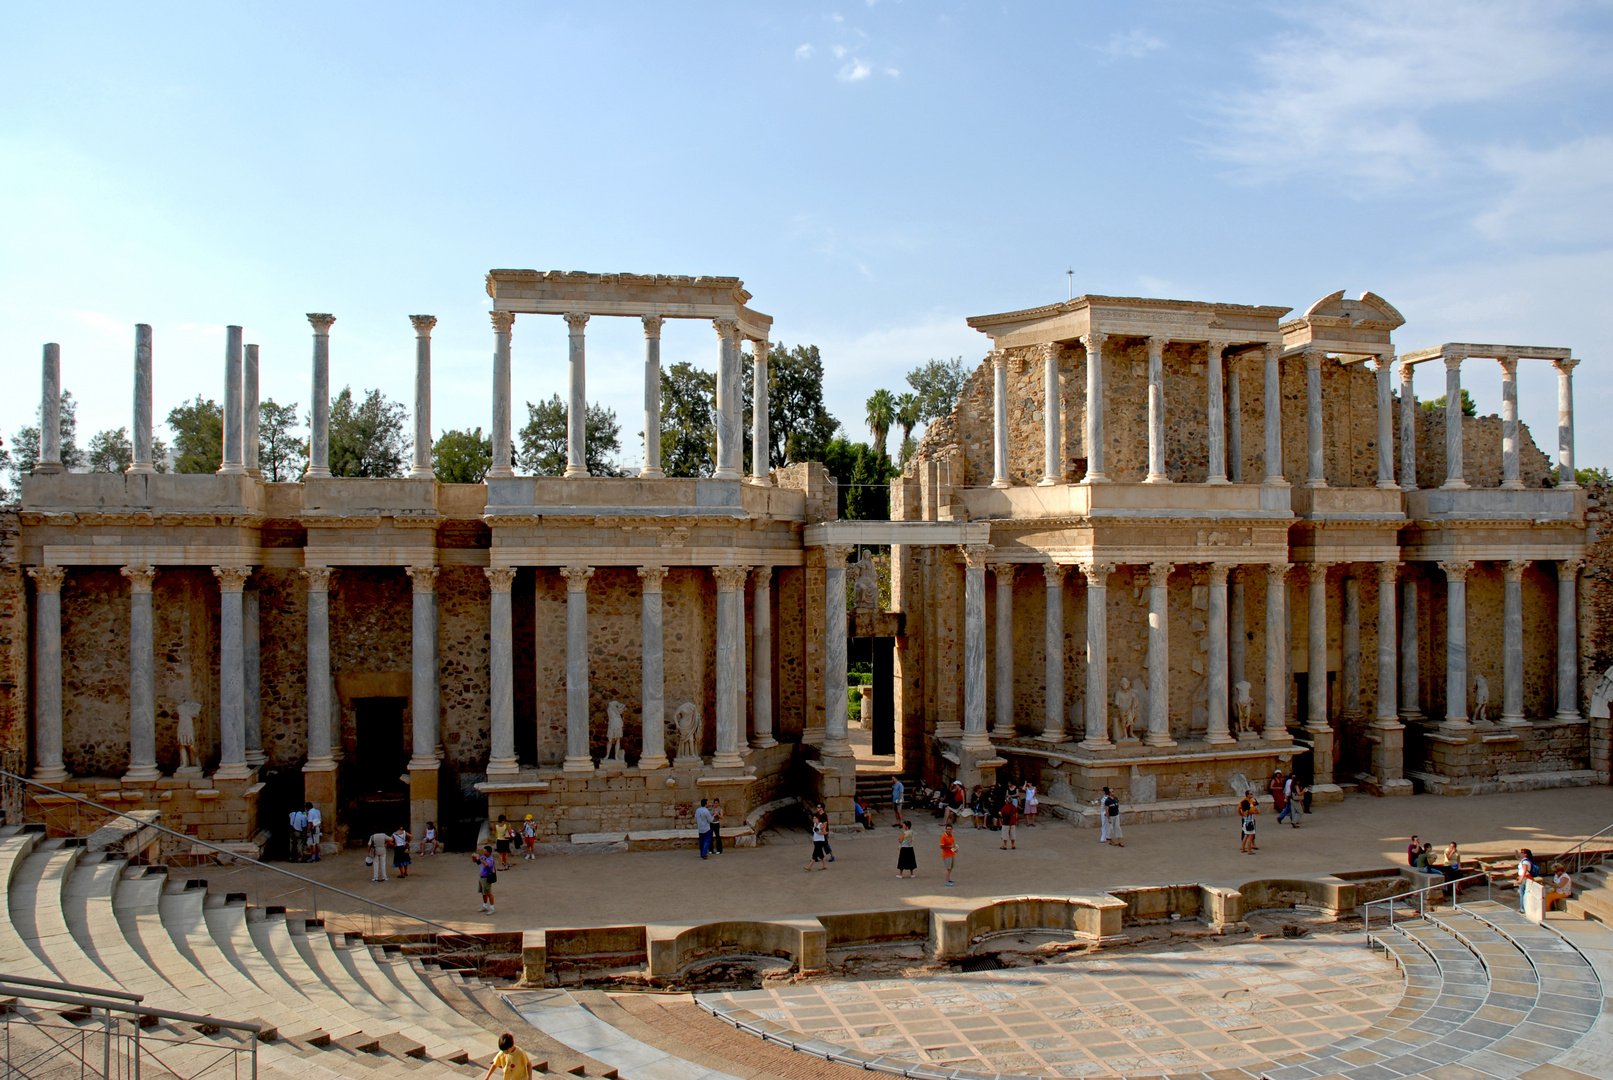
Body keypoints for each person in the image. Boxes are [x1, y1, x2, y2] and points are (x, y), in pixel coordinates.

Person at [474, 846, 497, 914]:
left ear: (488, 852)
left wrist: (480, 859)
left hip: (487, 877)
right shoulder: (483, 857)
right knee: (484, 893)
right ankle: (485, 905)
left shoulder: (490, 859)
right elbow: (477, 862)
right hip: (482, 877)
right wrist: (474, 857)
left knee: (488, 893)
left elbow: (487, 864)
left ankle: (492, 907)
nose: (483, 852)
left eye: (485, 851)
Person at [1237, 790, 1258, 854]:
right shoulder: (1244, 802)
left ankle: (1245, 846)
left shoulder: (1252, 801)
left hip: (1248, 819)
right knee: (1249, 833)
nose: (1252, 795)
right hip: (1249, 820)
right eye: (1251, 794)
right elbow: (1238, 809)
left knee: (1247, 834)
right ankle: (1249, 849)